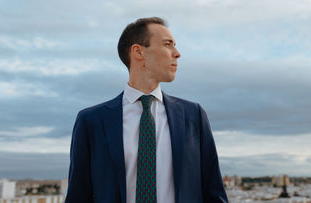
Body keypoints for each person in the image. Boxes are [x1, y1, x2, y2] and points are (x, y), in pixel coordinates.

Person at [65, 17, 228, 203]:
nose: (177, 53)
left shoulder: (193, 115)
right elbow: (78, 196)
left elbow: (214, 192)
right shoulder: (91, 121)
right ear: (138, 52)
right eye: (168, 45)